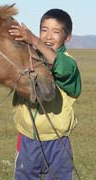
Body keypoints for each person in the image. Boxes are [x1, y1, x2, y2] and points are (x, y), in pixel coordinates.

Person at [9, 9, 82, 180]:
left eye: (55, 32)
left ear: (67, 38)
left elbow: (60, 67)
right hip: (27, 139)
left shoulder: (68, 63)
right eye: (44, 30)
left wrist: (34, 40)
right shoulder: (29, 57)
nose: (48, 37)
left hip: (57, 142)